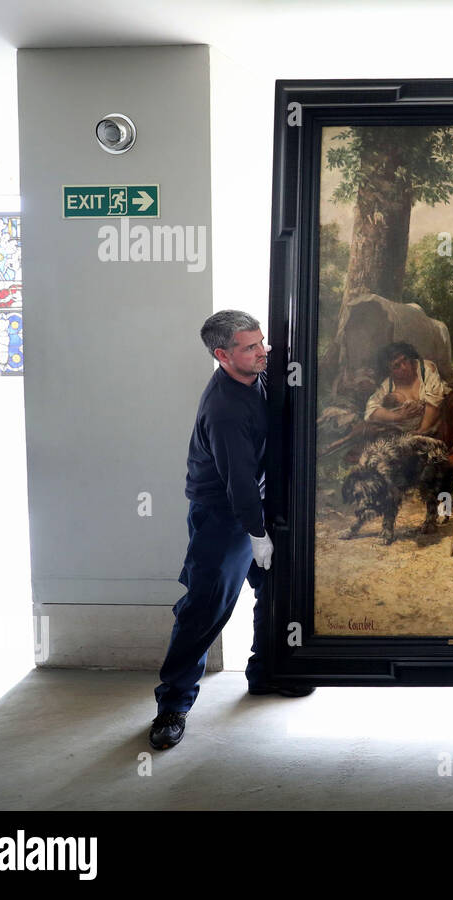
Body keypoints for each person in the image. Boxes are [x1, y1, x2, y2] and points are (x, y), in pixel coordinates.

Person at [148, 310, 313, 752]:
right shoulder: (224, 409)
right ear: (222, 355)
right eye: (250, 347)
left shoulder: (258, 374)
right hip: (224, 515)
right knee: (204, 610)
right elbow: (238, 479)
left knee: (274, 590)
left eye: (262, 343)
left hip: (257, 504)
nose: (263, 352)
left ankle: (265, 673)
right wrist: (256, 535)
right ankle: (172, 707)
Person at [362, 341, 453, 467]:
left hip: (441, 421)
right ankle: (442, 457)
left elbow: (434, 400)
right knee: (396, 441)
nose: (404, 367)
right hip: (416, 434)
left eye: (405, 360)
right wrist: (397, 416)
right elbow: (371, 410)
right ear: (389, 372)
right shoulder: (388, 386)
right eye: (396, 366)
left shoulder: (425, 368)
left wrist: (423, 429)